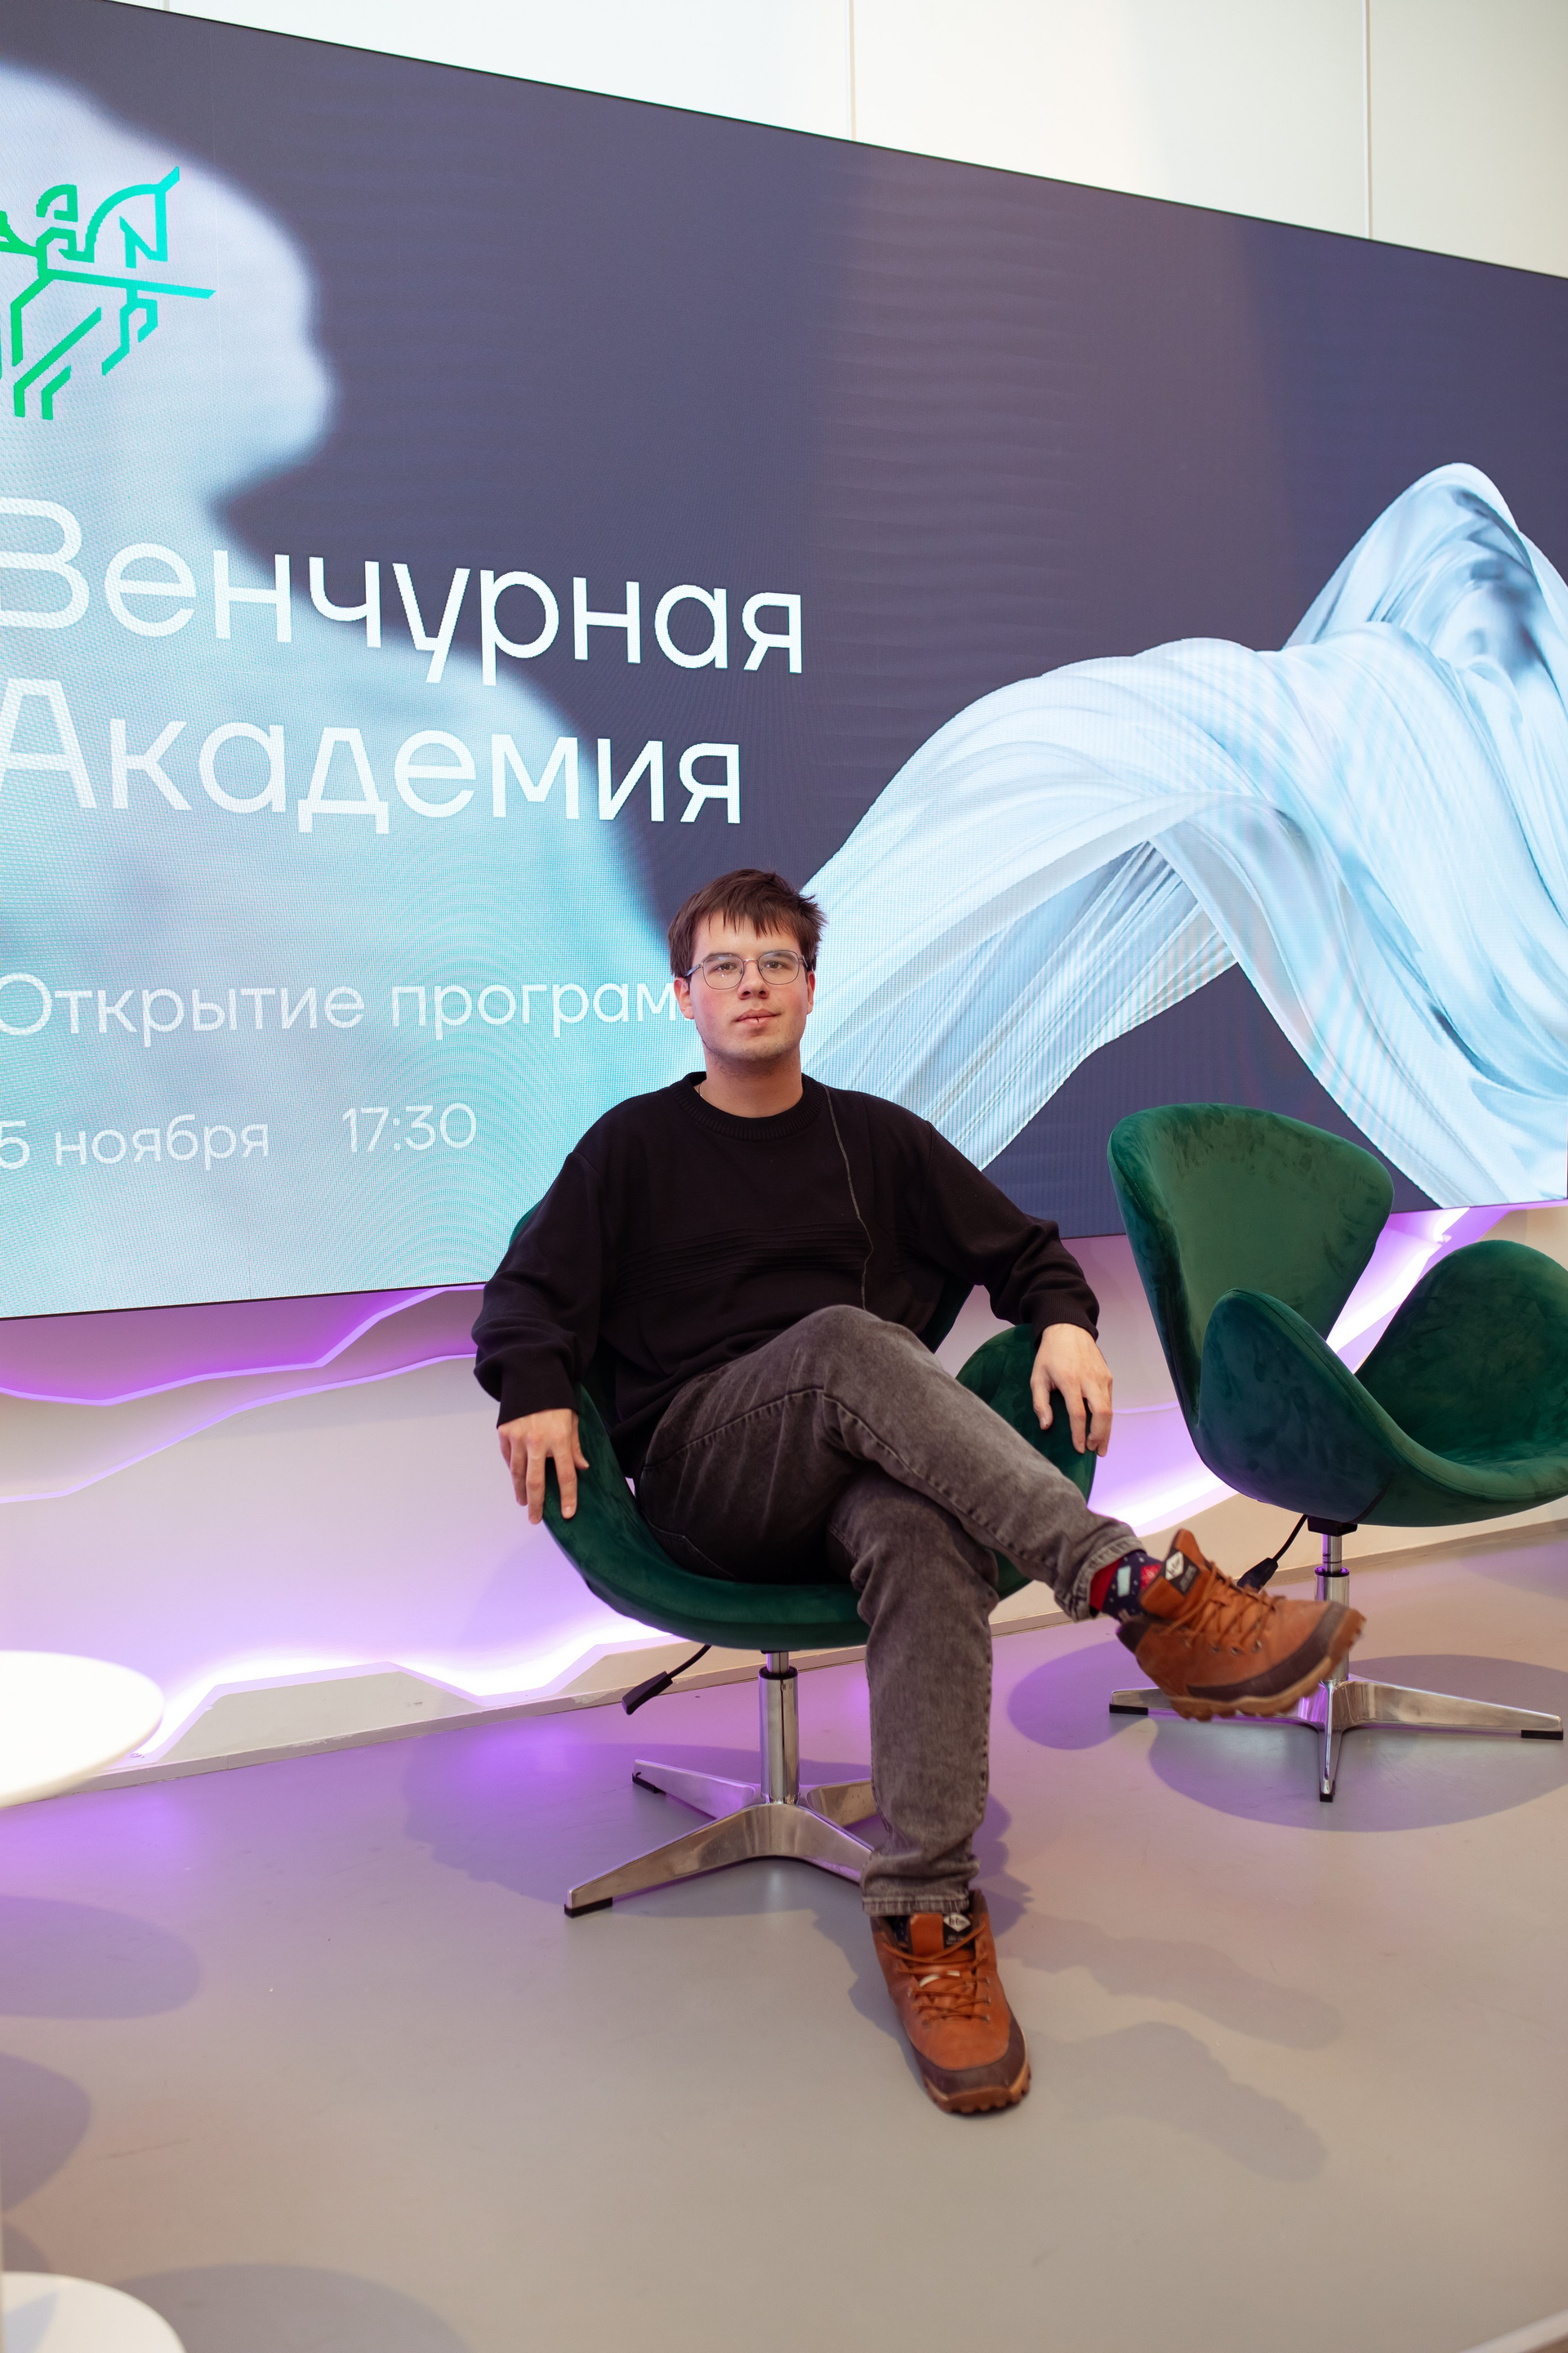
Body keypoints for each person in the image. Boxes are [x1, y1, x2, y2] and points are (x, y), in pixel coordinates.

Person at [473, 868, 1365, 2115]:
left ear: (811, 988)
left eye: (775, 963)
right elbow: (524, 1298)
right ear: (684, 996)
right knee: (847, 1340)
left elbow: (1027, 1249)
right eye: (725, 966)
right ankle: (1131, 1583)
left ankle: (931, 1909)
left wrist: (1065, 1320)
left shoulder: (875, 1139)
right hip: (706, 1475)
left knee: (919, 1525)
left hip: (850, 1474)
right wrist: (531, 1387)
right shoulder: (632, 1146)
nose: (751, 985)